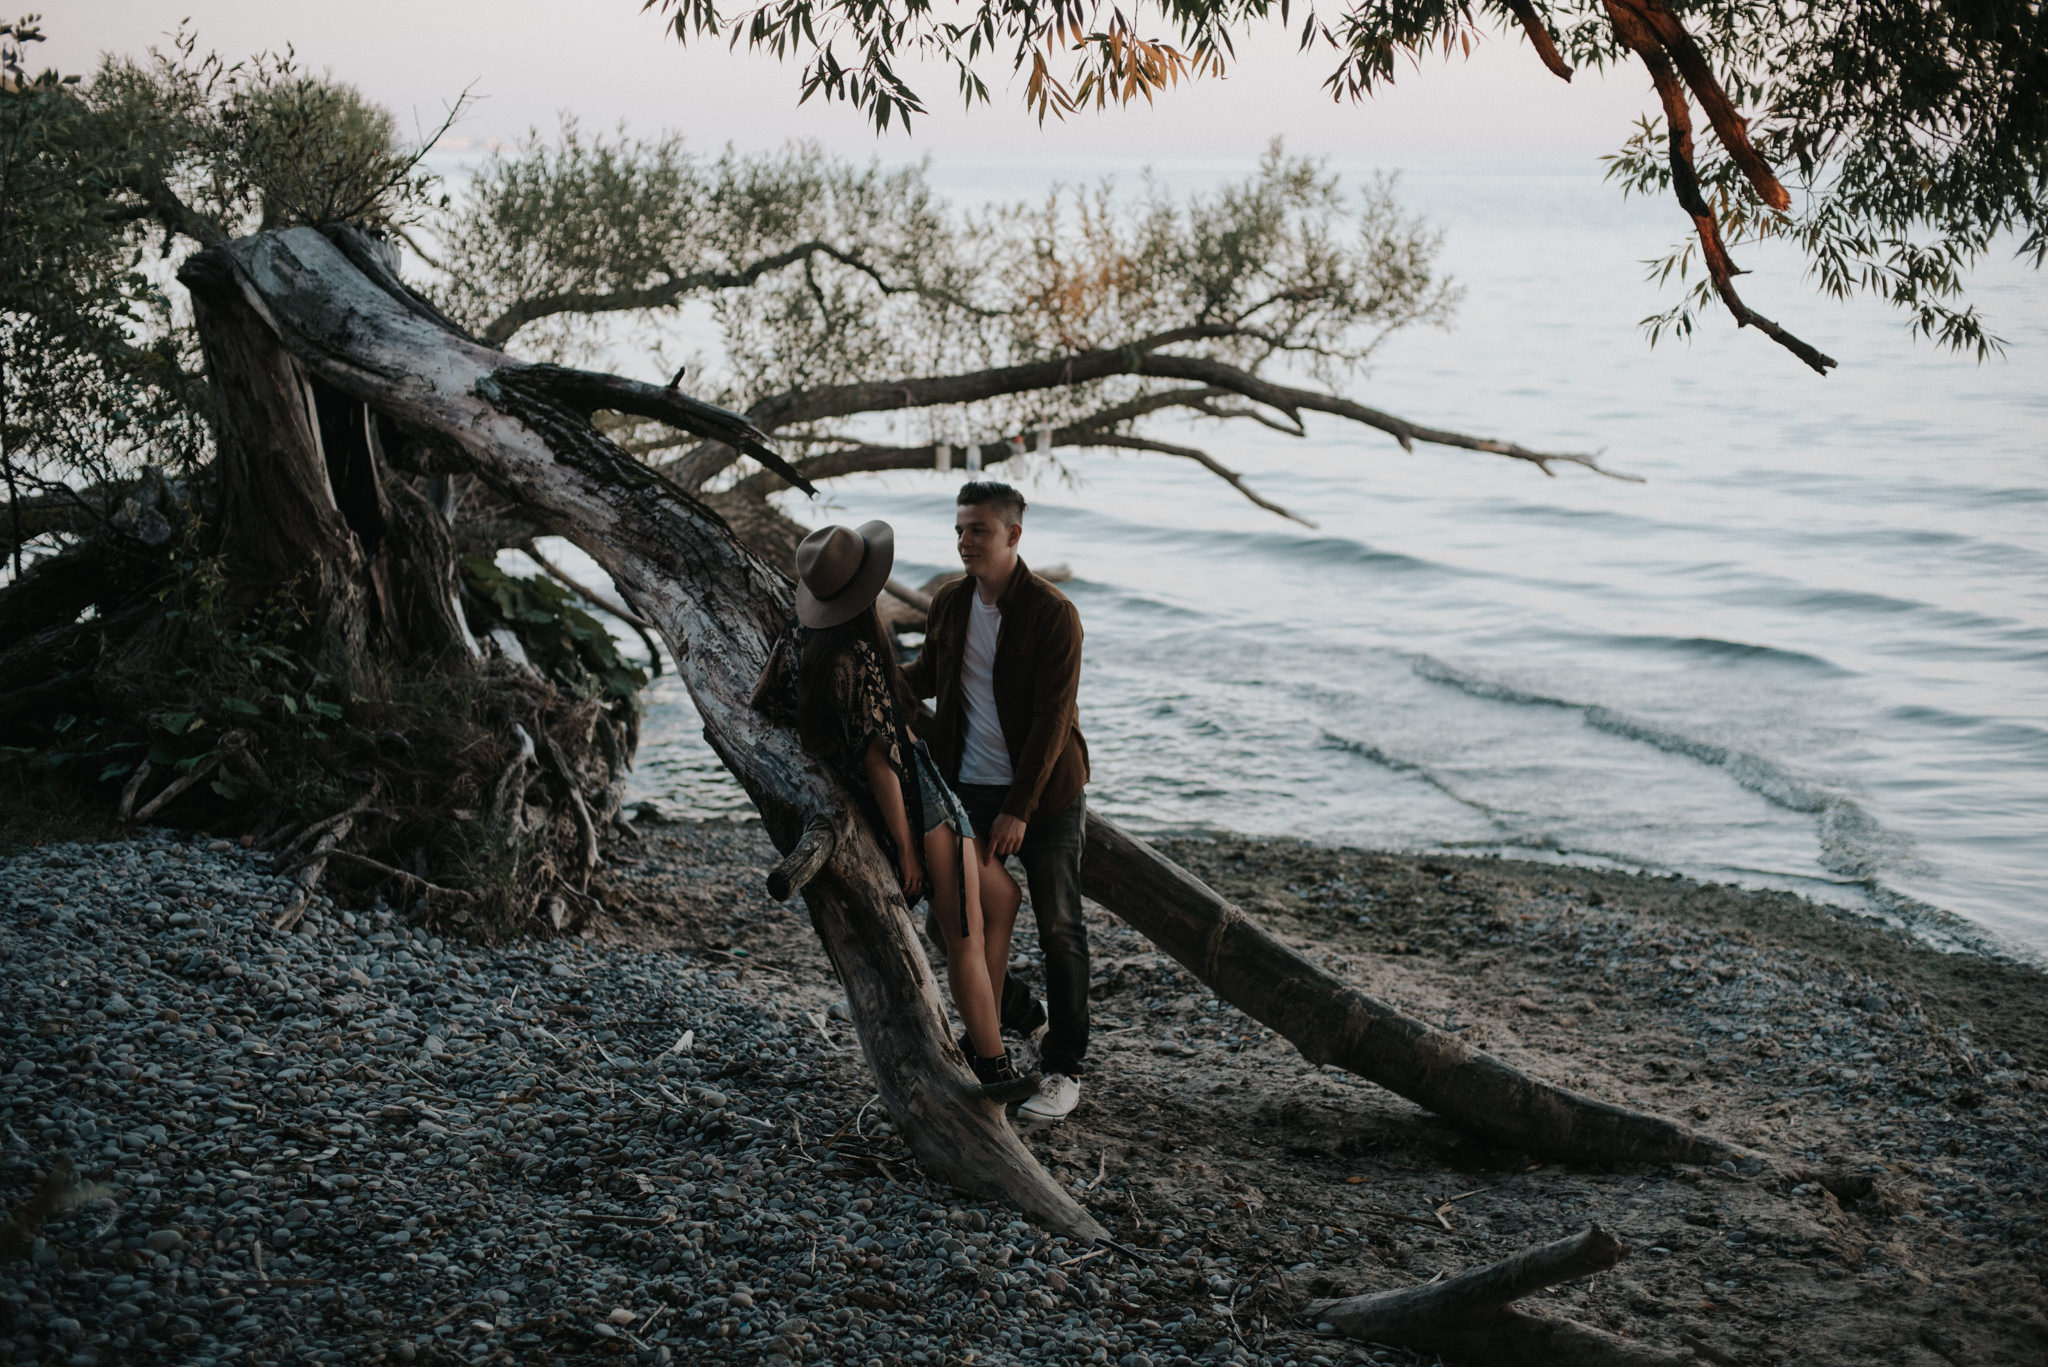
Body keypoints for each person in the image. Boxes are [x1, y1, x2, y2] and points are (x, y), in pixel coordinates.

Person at [752, 520, 1035, 1103]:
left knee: (1003, 898)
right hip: (918, 804)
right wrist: (906, 849)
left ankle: (988, 1019)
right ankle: (991, 1061)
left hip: (902, 791)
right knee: (965, 935)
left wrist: (834, 748)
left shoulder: (802, 640)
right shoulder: (857, 655)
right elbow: (882, 764)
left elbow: (766, 701)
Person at [904, 481, 1090, 1123]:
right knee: (947, 923)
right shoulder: (950, 604)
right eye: (959, 529)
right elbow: (926, 678)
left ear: (1013, 535)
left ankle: (1063, 1066)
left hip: (1046, 796)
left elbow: (1052, 720)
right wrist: (865, 674)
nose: (964, 541)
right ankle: (1015, 1016)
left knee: (1061, 928)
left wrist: (1019, 808)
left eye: (978, 530)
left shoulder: (1053, 613)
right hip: (967, 790)